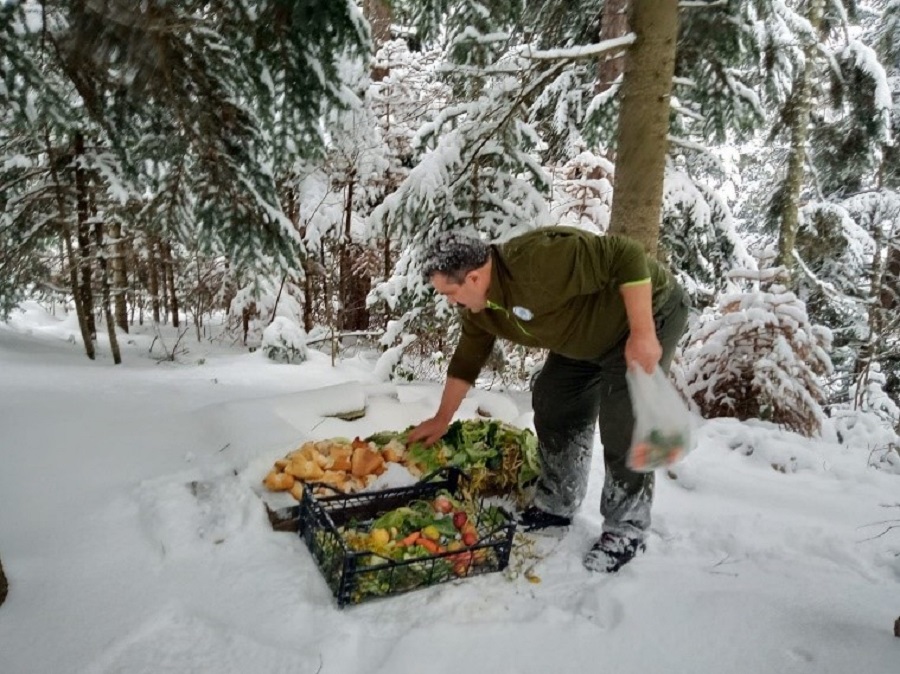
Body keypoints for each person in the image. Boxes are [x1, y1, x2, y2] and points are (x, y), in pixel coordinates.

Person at [408, 226, 690, 572]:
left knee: (623, 418)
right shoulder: (480, 308)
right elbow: (468, 358)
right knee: (554, 399)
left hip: (644, 316)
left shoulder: (538, 263)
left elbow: (627, 254)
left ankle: (626, 527)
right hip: (584, 336)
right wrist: (442, 418)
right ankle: (558, 501)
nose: (450, 301)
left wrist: (644, 333)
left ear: (475, 277)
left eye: (450, 292)